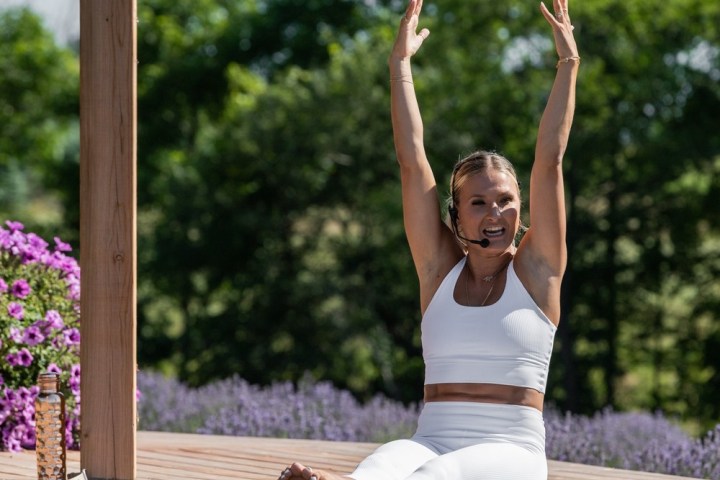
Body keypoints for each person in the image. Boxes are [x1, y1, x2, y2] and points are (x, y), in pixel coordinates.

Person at [277, 0, 578, 478]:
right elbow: (412, 158)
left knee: (432, 479)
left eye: (504, 200)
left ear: (522, 208)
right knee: (377, 469)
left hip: (512, 450)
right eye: (478, 203)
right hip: (432, 439)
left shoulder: (538, 270)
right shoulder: (438, 271)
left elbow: (550, 159)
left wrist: (568, 64)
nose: (494, 213)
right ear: (456, 217)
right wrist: (399, 66)